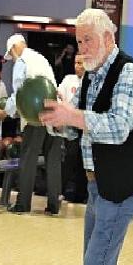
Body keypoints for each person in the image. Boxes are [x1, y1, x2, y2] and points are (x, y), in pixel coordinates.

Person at [41, 8, 133, 265]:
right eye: (78, 42)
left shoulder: (129, 73)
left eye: (87, 40)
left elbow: (118, 128)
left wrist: (72, 115)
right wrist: (57, 119)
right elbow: (82, 127)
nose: (81, 48)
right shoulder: (92, 75)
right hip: (97, 186)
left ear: (108, 37)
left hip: (122, 188)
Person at [3, 33, 63, 215]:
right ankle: (53, 206)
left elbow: (20, 93)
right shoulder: (41, 58)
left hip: (35, 116)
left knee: (28, 158)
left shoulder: (22, 62)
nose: (12, 59)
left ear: (14, 48)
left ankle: (23, 204)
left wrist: (6, 111)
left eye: (10, 55)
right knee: (53, 161)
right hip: (54, 113)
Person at [58, 54, 87, 203]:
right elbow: (59, 95)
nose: (78, 66)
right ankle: (61, 191)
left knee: (83, 163)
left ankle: (81, 195)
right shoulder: (68, 79)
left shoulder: (91, 80)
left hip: (85, 127)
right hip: (69, 129)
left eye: (81, 63)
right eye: (76, 63)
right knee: (68, 161)